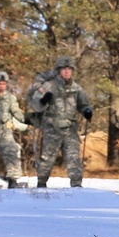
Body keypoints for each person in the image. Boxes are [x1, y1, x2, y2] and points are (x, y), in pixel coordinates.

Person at [30, 57, 92, 188]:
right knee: (47, 158)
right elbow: (35, 104)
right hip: (52, 127)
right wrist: (43, 101)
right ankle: (41, 183)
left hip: (70, 128)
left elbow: (84, 104)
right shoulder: (49, 86)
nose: (67, 72)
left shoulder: (77, 88)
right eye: (64, 69)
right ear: (58, 71)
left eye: (69, 69)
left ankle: (76, 185)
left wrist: (87, 111)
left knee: (73, 157)